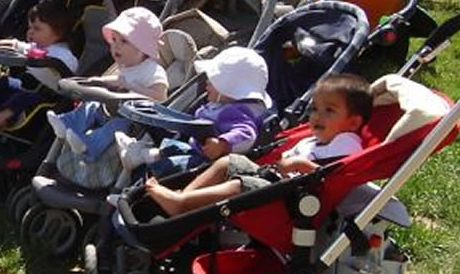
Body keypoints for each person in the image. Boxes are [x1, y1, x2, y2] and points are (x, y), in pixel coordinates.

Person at [143, 73, 372, 216]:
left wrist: (301, 165)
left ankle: (182, 202)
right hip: (276, 184)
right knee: (228, 162)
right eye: (314, 109)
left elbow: (338, 180)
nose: (317, 116)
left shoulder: (348, 143)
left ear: (352, 122)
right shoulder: (312, 140)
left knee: (240, 185)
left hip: (293, 202)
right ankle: (184, 198)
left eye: (329, 111)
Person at [122, 46, 272, 176]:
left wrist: (222, 144)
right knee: (172, 146)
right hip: (197, 148)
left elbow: (247, 134)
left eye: (212, 81)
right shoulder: (222, 103)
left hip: (205, 162)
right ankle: (140, 155)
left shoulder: (235, 113)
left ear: (229, 90)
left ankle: (142, 169)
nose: (206, 82)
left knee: (171, 165)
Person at [46, 7, 169, 160]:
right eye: (114, 40)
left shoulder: (152, 70)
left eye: (124, 41)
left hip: (131, 122)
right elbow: (117, 80)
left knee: (116, 126)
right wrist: (99, 81)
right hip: (110, 110)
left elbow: (161, 97)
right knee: (91, 104)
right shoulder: (126, 66)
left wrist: (132, 88)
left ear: (143, 48)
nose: (115, 46)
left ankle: (88, 145)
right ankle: (67, 123)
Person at [0, 0, 78, 136]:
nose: (30, 33)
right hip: (26, 84)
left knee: (19, 98)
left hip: (46, 94)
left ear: (58, 33)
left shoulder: (63, 53)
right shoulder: (37, 46)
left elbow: (70, 72)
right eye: (30, 28)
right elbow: (16, 45)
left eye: (37, 29)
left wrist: (47, 62)